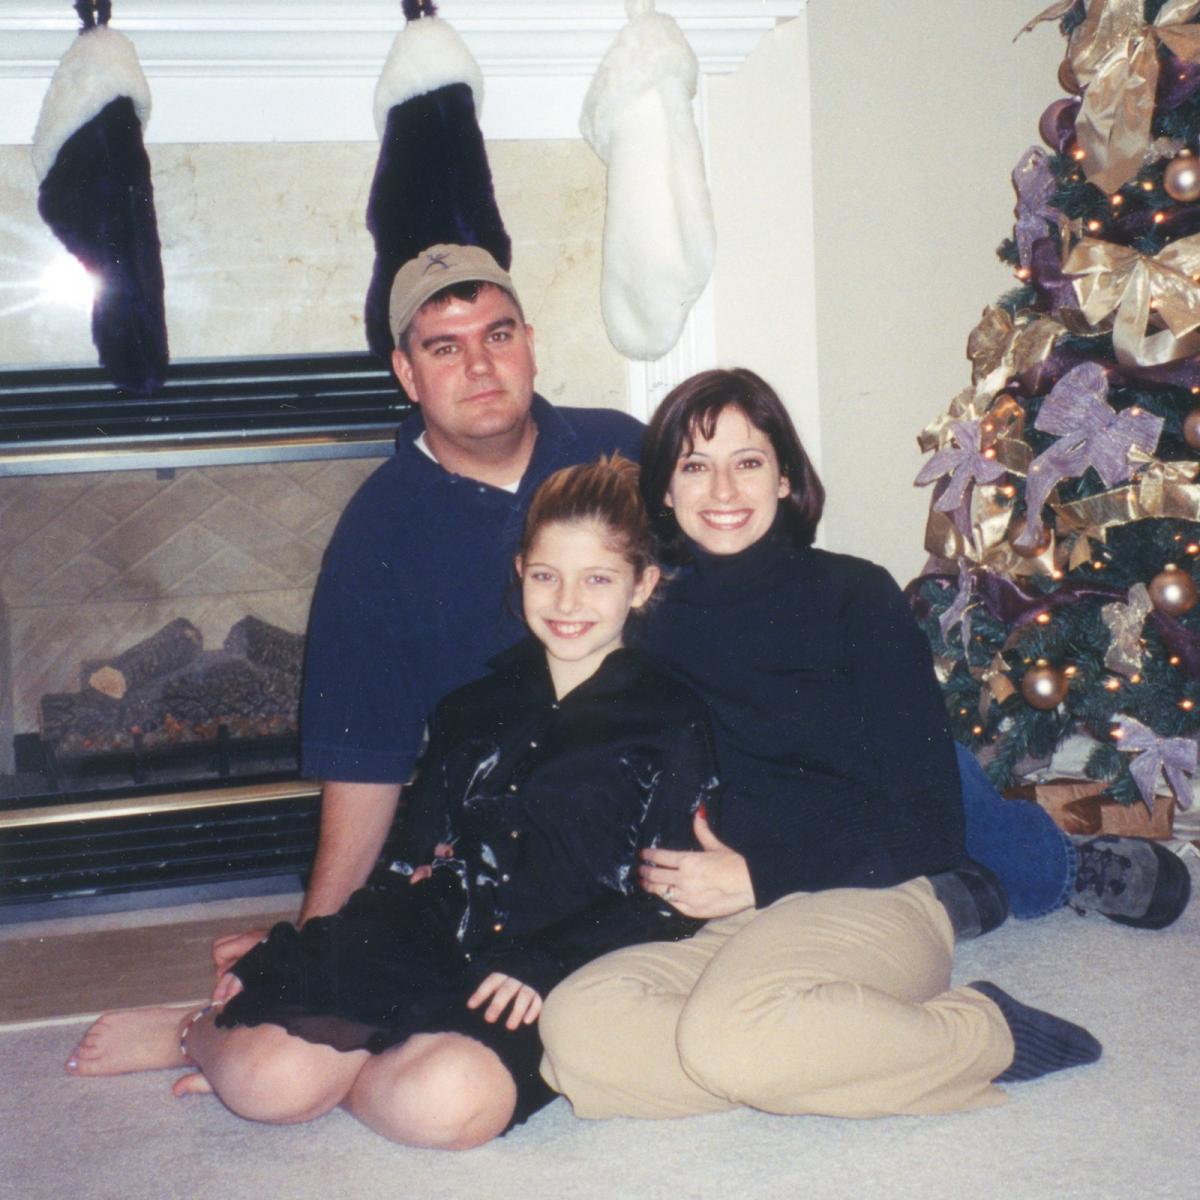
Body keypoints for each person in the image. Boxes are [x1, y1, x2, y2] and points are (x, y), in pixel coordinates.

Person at [212, 243, 1184, 1004]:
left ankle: (1048, 866)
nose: (480, 363)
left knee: (870, 724)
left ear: (530, 341)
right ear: (405, 371)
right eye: (443, 345)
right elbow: (367, 757)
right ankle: (944, 885)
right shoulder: (376, 537)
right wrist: (318, 933)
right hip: (573, 765)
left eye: (498, 333)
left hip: (702, 712)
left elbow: (750, 551)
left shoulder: (617, 444)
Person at [65, 455, 717, 1148]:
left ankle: (339, 1066)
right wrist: (310, 953)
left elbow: (666, 895)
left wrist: (548, 961)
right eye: (546, 576)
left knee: (446, 1106)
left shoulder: (673, 719)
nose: (566, 603)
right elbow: (409, 861)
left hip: (530, 970)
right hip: (423, 936)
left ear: (642, 585)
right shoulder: (472, 706)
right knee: (268, 1086)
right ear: (521, 569)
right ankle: (192, 1031)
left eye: (598, 580)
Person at [538, 367, 1111, 1121]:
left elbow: (931, 820)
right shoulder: (653, 616)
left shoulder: (855, 595)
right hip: (734, 923)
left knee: (729, 1039)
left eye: (748, 462)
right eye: (694, 466)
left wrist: (761, 876)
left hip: (869, 895)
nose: (722, 489)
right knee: (575, 1030)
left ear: (783, 478)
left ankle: (981, 1031)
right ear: (665, 493)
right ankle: (808, 1052)